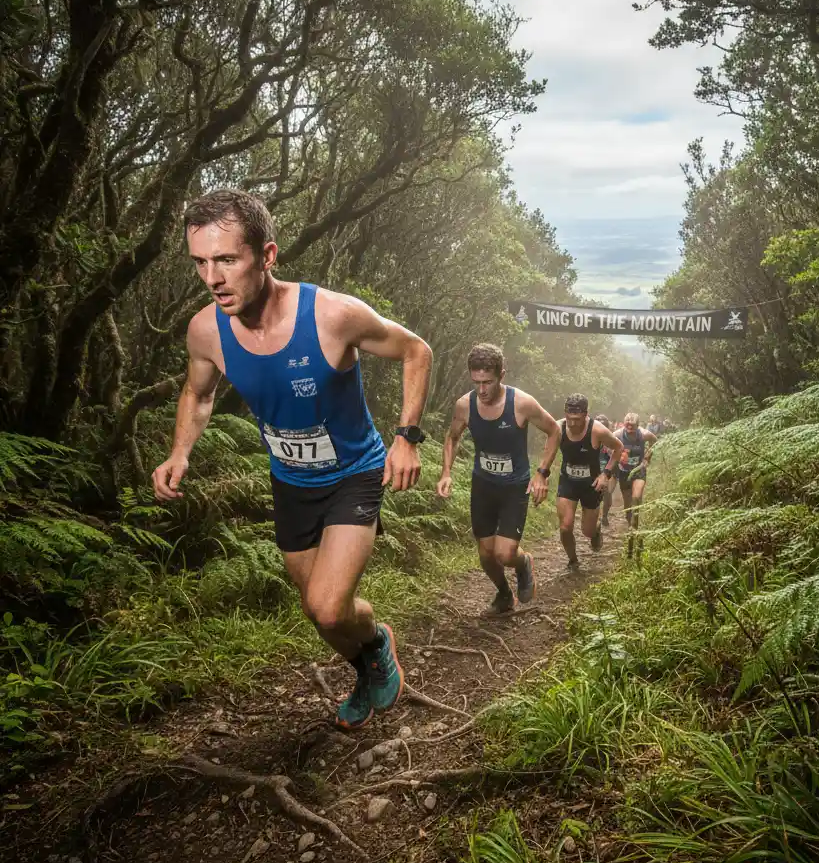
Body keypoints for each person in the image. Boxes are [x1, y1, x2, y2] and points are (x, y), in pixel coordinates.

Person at [152, 189, 432, 731]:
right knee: (317, 612)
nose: (212, 278)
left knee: (328, 605)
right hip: (291, 481)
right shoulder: (206, 330)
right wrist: (179, 452)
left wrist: (407, 437)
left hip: (354, 473)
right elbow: (198, 393)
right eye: (200, 263)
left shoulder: (331, 315)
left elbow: (416, 350)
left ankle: (377, 644)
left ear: (268, 255)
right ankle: (367, 665)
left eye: (226, 260)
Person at [437, 344, 560, 615]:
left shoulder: (521, 403)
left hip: (515, 486)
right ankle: (504, 595)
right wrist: (446, 472)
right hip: (484, 484)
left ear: (501, 375)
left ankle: (523, 563)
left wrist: (542, 473)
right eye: (477, 382)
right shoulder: (464, 405)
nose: (482, 390)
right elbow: (452, 437)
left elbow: (554, 431)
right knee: (485, 555)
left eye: (488, 382)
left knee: (505, 554)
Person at [556, 396, 622, 570]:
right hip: (568, 482)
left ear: (586, 415)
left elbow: (618, 448)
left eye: (577, 419)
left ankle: (596, 530)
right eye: (569, 418)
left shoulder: (597, 430)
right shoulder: (558, 427)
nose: (572, 423)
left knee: (588, 531)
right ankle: (573, 561)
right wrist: (543, 473)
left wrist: (605, 474)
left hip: (591, 485)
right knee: (565, 527)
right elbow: (549, 447)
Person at [618, 412, 659, 558]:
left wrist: (648, 457)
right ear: (624, 424)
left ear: (638, 425)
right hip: (623, 473)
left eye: (633, 426)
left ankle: (634, 536)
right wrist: (615, 455)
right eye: (627, 425)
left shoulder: (644, 434)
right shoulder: (618, 434)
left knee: (636, 500)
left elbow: (655, 440)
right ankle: (636, 533)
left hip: (639, 471)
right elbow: (606, 444)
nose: (629, 428)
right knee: (628, 510)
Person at [595, 413, 616, 526]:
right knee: (595, 498)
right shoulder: (589, 437)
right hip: (592, 472)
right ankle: (596, 519)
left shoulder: (611, 440)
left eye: (603, 425)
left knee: (607, 496)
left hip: (606, 472)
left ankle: (604, 516)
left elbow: (616, 456)